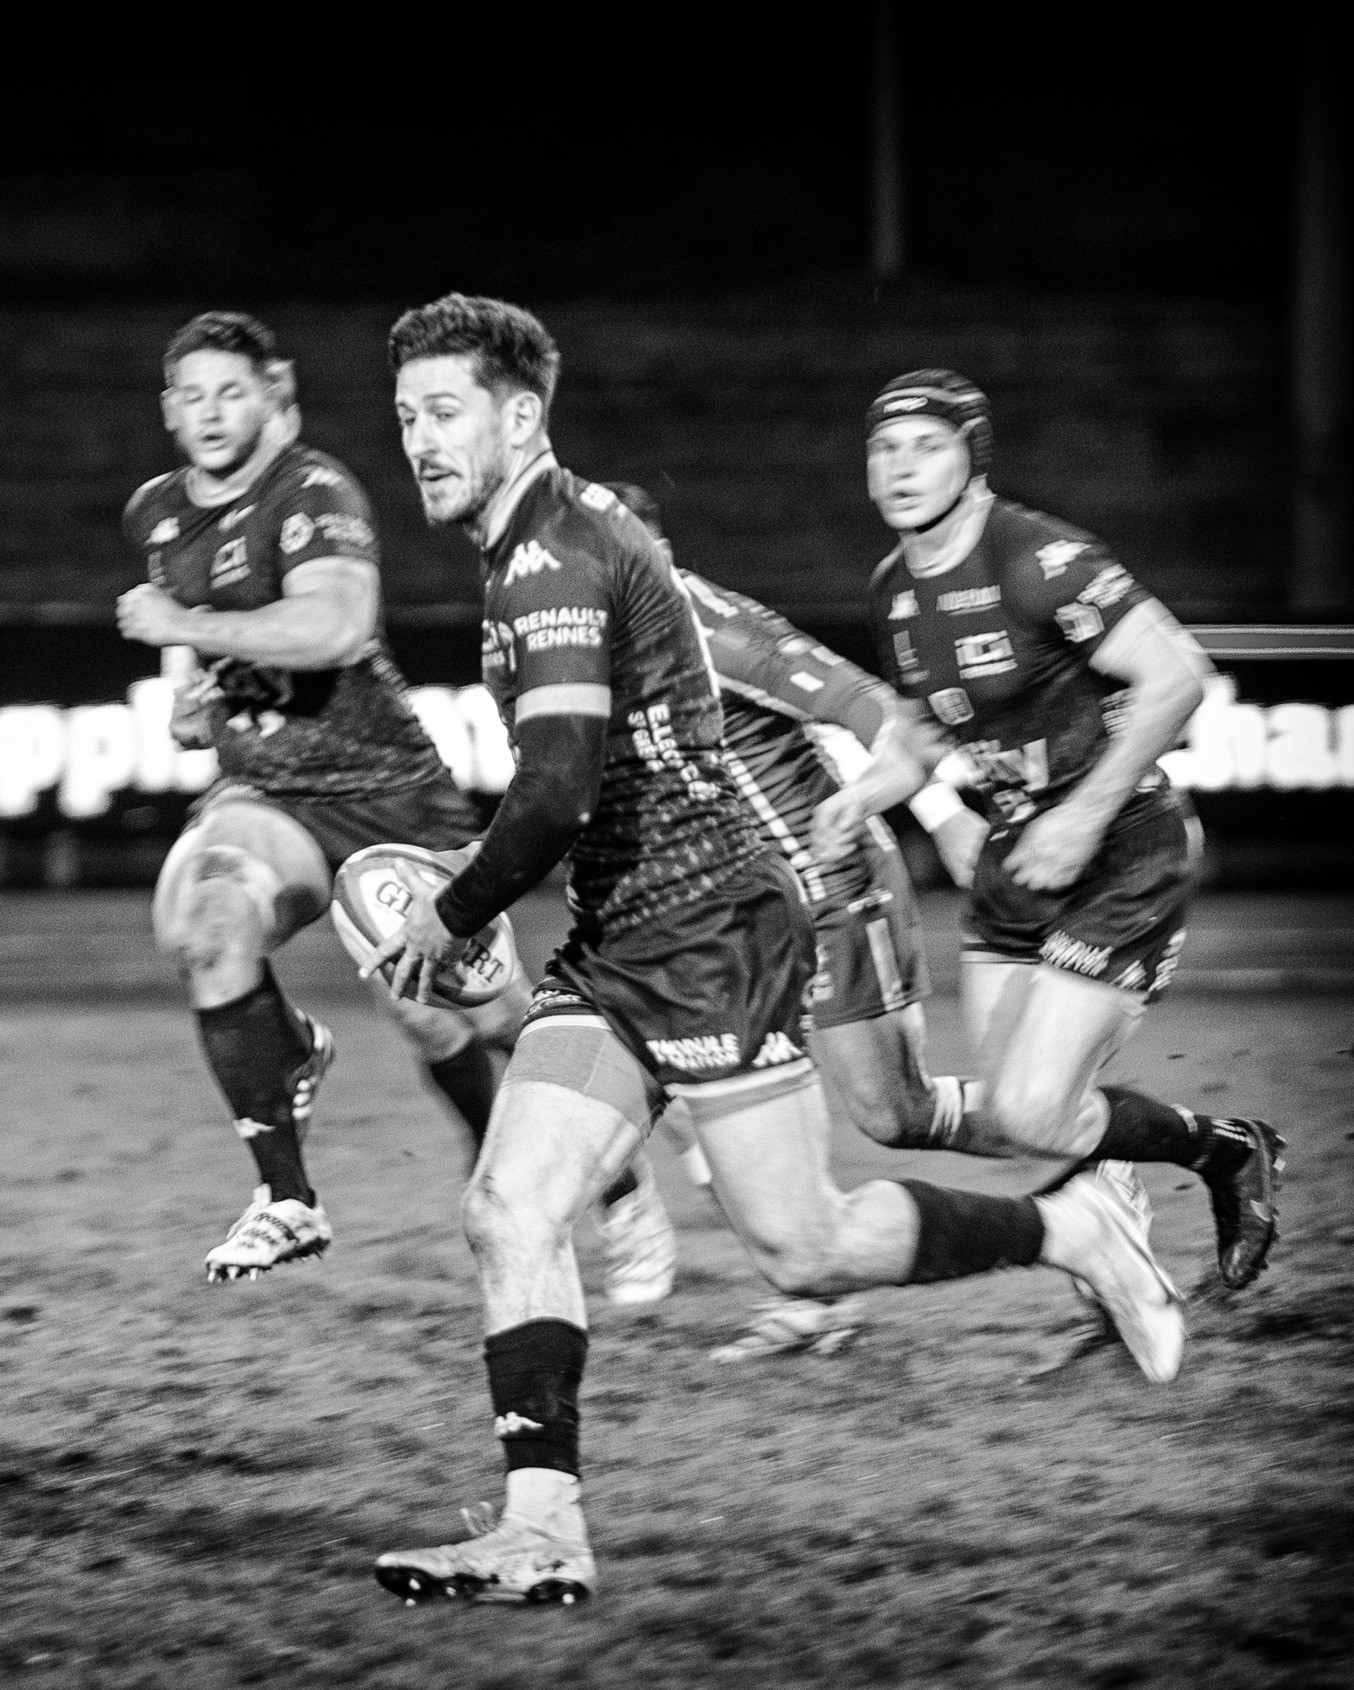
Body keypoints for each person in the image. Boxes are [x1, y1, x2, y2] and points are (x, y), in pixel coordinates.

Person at [368, 296, 1186, 1606]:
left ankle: (1070, 1226)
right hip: (625, 936)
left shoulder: (554, 556)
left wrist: (450, 912)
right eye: (407, 413)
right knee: (507, 1206)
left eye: (445, 410)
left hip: (707, 934)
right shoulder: (537, 541)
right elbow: (580, 788)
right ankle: (540, 1529)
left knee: (805, 1250)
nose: (418, 437)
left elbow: (557, 789)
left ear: (520, 418)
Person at [812, 369, 1283, 1295]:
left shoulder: (1040, 558)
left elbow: (1179, 677)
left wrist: (1085, 813)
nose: (901, 468)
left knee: (1033, 1110)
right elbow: (925, 734)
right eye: (884, 449)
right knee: (1025, 1118)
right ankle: (1131, 1229)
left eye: (928, 448)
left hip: (1121, 852)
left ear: (974, 463)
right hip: (1017, 861)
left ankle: (1227, 1153)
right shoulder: (892, 588)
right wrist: (862, 796)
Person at [116, 311, 535, 1280]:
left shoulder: (314, 490)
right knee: (208, 927)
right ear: (169, 411)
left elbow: (336, 628)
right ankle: (287, 1197)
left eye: (231, 391)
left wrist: (181, 626)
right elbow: (191, 629)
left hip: (388, 795)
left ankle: (620, 1179)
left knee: (475, 1015)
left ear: (274, 395)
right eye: (192, 395)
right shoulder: (155, 512)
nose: (210, 411)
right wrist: (191, 696)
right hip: (270, 793)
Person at [602, 481, 990, 1359]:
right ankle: (811, 1292)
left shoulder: (714, 630)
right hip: (727, 914)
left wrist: (945, 818)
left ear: (656, 556)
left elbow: (872, 711)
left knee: (894, 1112)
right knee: (696, 1091)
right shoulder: (586, 647)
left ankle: (1086, 1140)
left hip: (826, 891)